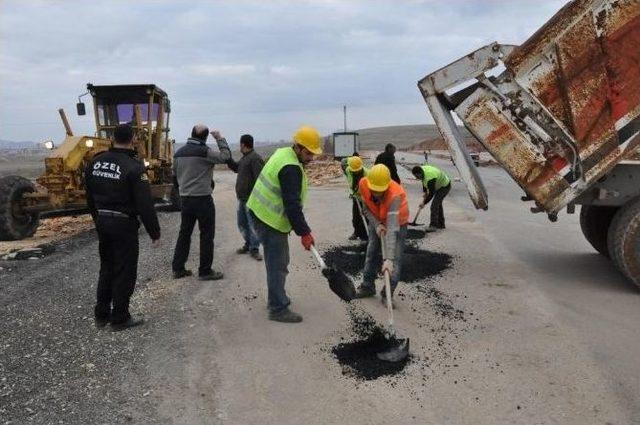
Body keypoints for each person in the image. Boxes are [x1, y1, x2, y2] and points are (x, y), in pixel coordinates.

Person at [84, 124, 161, 331]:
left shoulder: (95, 163)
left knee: (107, 267)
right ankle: (120, 317)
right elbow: (145, 203)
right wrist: (154, 232)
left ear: (113, 137)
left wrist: (97, 219)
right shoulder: (134, 167)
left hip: (103, 221)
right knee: (124, 270)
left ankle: (101, 315)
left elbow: (89, 196)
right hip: (123, 224)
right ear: (134, 138)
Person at [247, 126, 322, 323]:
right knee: (278, 264)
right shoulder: (291, 168)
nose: (311, 158)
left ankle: (277, 298)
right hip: (268, 220)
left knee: (278, 262)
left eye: (313, 154)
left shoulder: (283, 153)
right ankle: (277, 308)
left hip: (258, 212)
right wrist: (304, 233)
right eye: (308, 153)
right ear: (297, 147)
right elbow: (292, 206)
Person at [172, 124, 231, 280]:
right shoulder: (205, 152)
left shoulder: (178, 154)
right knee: (206, 235)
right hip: (203, 200)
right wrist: (220, 139)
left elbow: (175, 177)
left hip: (185, 199)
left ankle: (178, 269)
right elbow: (226, 157)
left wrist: (183, 189)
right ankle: (205, 271)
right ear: (205, 137)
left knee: (184, 234)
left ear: (191, 134)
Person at [355, 164, 409, 303]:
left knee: (395, 261)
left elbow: (392, 228)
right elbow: (365, 209)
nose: (376, 194)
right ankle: (368, 286)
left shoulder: (395, 195)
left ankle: (388, 294)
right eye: (374, 190)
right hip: (377, 218)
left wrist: (388, 259)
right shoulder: (363, 184)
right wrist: (377, 224)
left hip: (397, 221)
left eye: (380, 191)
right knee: (371, 252)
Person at [227, 134, 265, 261]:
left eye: (240, 144)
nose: (239, 146)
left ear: (243, 144)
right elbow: (236, 168)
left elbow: (260, 180)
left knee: (253, 225)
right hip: (242, 198)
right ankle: (248, 244)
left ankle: (254, 248)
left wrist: (257, 198)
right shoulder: (245, 158)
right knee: (242, 223)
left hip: (251, 199)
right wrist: (228, 159)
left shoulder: (255, 159)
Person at [412, 163, 451, 231]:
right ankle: (441, 224)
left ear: (420, 173)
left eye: (417, 176)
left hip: (444, 186)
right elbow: (423, 181)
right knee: (438, 204)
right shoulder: (422, 170)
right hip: (438, 184)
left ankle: (433, 226)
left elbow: (431, 194)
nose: (417, 178)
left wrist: (424, 203)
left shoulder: (430, 177)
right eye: (415, 176)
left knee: (434, 205)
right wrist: (425, 192)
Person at [343, 155, 368, 241]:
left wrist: (365, 203)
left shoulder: (367, 174)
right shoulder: (348, 170)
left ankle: (365, 235)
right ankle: (356, 232)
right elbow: (350, 182)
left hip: (366, 198)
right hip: (356, 197)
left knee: (365, 216)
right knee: (356, 217)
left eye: (357, 171)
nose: (356, 172)